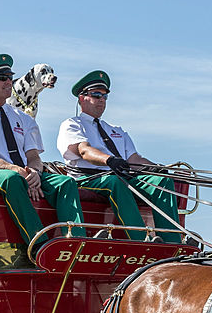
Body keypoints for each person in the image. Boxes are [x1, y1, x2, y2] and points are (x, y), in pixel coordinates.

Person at [0, 53, 86, 253]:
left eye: (10, 77)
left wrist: (34, 172)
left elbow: (34, 156)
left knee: (66, 183)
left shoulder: (24, 119)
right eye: (2, 78)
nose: (9, 82)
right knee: (12, 179)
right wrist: (19, 171)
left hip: (23, 171)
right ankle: (40, 246)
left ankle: (77, 244)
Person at [56, 71, 181, 243]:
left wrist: (159, 169)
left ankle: (172, 240)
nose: (102, 100)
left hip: (120, 177)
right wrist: (109, 160)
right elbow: (83, 150)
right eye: (96, 95)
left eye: (105, 96)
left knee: (162, 182)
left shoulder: (116, 130)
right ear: (82, 98)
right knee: (116, 182)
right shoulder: (72, 124)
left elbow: (134, 160)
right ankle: (140, 239)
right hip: (89, 178)